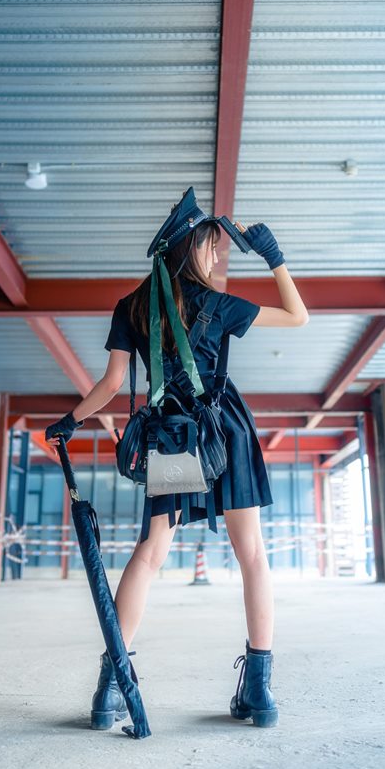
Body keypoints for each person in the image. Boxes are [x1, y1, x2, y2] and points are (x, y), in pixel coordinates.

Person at [46, 188, 309, 729]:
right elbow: (297, 316)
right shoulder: (218, 303)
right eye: (213, 246)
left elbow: (112, 383)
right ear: (193, 248)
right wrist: (274, 257)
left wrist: (71, 421)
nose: (218, 255)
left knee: (150, 553)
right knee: (252, 554)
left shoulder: (132, 306)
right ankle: (259, 692)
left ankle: (112, 688)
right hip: (226, 432)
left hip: (173, 436)